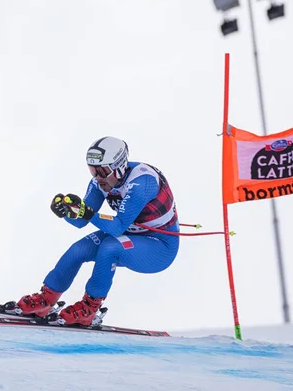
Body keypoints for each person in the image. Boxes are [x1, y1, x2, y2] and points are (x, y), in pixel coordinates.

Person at [16, 136, 180, 326]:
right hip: (131, 234)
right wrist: (66, 212)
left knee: (110, 247)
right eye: (93, 170)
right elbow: (81, 222)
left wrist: (85, 212)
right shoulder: (102, 181)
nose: (97, 177)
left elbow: (117, 226)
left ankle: (90, 308)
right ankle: (46, 299)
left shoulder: (143, 182)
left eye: (102, 170)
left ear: (119, 166)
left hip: (159, 247)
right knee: (79, 249)